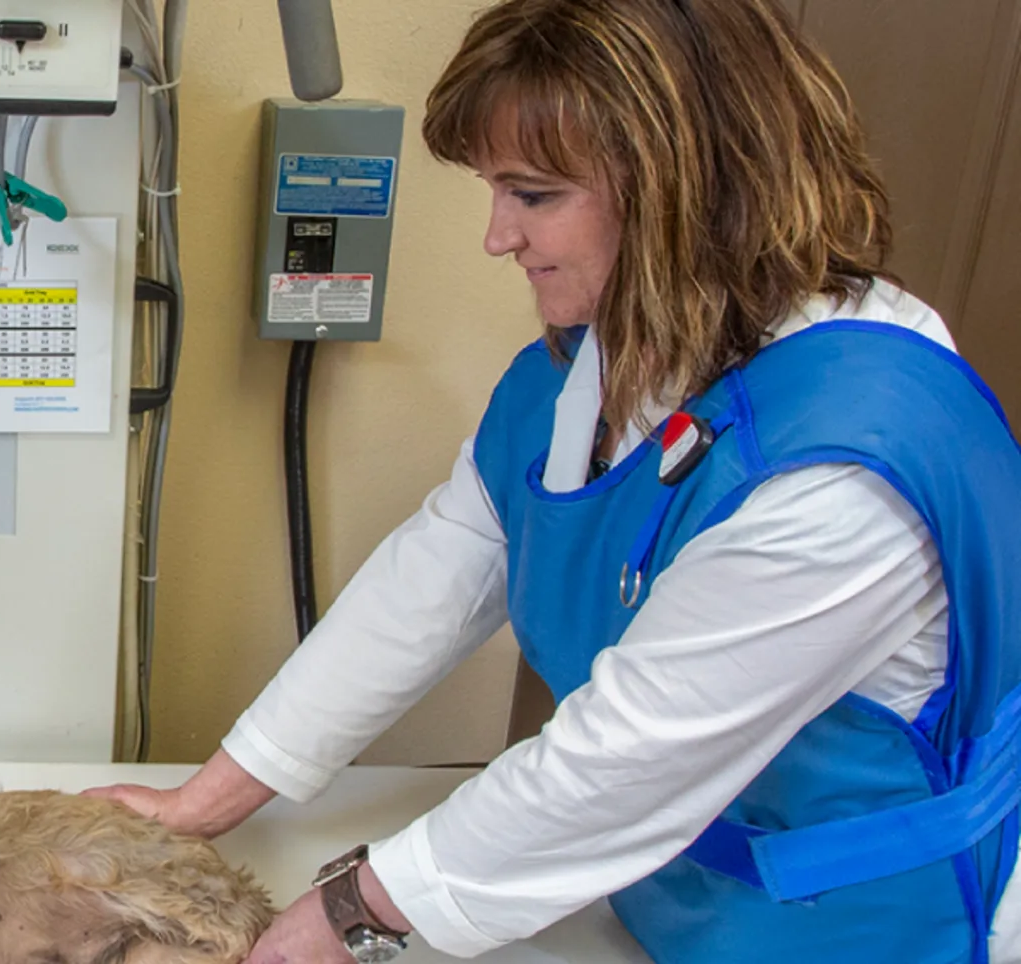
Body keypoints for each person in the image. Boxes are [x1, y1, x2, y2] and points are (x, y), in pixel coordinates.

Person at [88, 0, 1021, 961]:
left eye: (533, 196)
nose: (498, 238)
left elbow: (627, 755)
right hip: (667, 886)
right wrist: (208, 798)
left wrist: (349, 913)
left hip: (856, 924)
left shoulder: (844, 465)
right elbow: (444, 569)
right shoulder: (602, 358)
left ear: (684, 188)